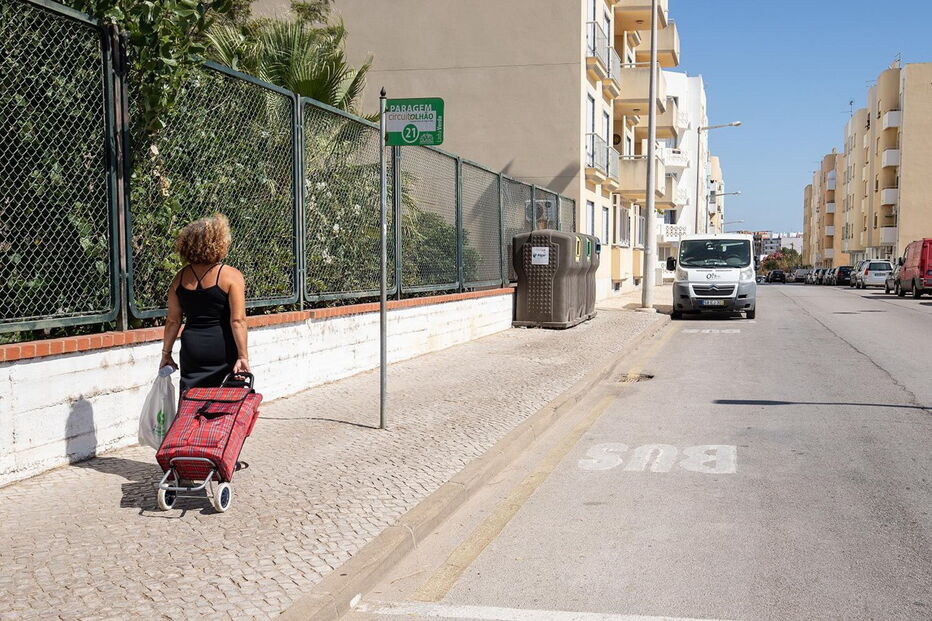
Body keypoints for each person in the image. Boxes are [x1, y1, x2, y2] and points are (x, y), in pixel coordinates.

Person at [159, 214, 249, 392]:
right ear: (220, 243)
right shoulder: (231, 276)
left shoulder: (179, 278)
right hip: (222, 347)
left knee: (191, 401)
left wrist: (166, 354)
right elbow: (238, 321)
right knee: (225, 404)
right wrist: (242, 356)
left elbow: (173, 321)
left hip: (192, 349)